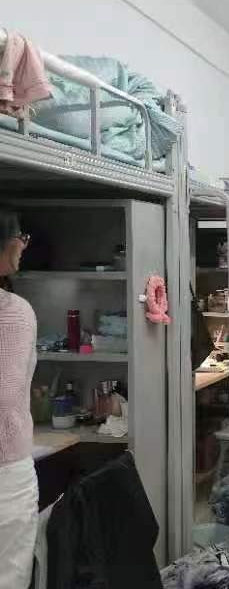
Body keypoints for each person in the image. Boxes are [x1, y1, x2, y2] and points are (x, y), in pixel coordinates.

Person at [0, 210, 38, 587]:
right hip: (6, 471)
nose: (24, 247)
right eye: (22, 239)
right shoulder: (15, 312)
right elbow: (9, 392)